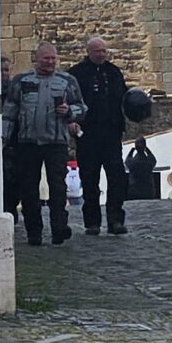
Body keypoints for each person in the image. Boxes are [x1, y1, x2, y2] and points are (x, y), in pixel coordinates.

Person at [0, 42, 83, 246]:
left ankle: (59, 229)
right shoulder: (21, 81)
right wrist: (3, 139)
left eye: (53, 58)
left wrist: (70, 112)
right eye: (46, 58)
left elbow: (82, 106)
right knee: (28, 189)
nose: (50, 62)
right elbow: (9, 112)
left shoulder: (67, 81)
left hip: (56, 143)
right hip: (28, 143)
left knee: (58, 187)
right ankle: (34, 232)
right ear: (36, 59)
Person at [70, 36, 131, 237]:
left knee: (116, 177)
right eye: (98, 51)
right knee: (89, 179)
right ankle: (92, 222)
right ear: (89, 52)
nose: (101, 54)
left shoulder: (114, 72)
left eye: (104, 51)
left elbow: (124, 98)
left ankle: (115, 220)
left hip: (111, 134)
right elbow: (69, 101)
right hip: (88, 135)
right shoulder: (77, 74)